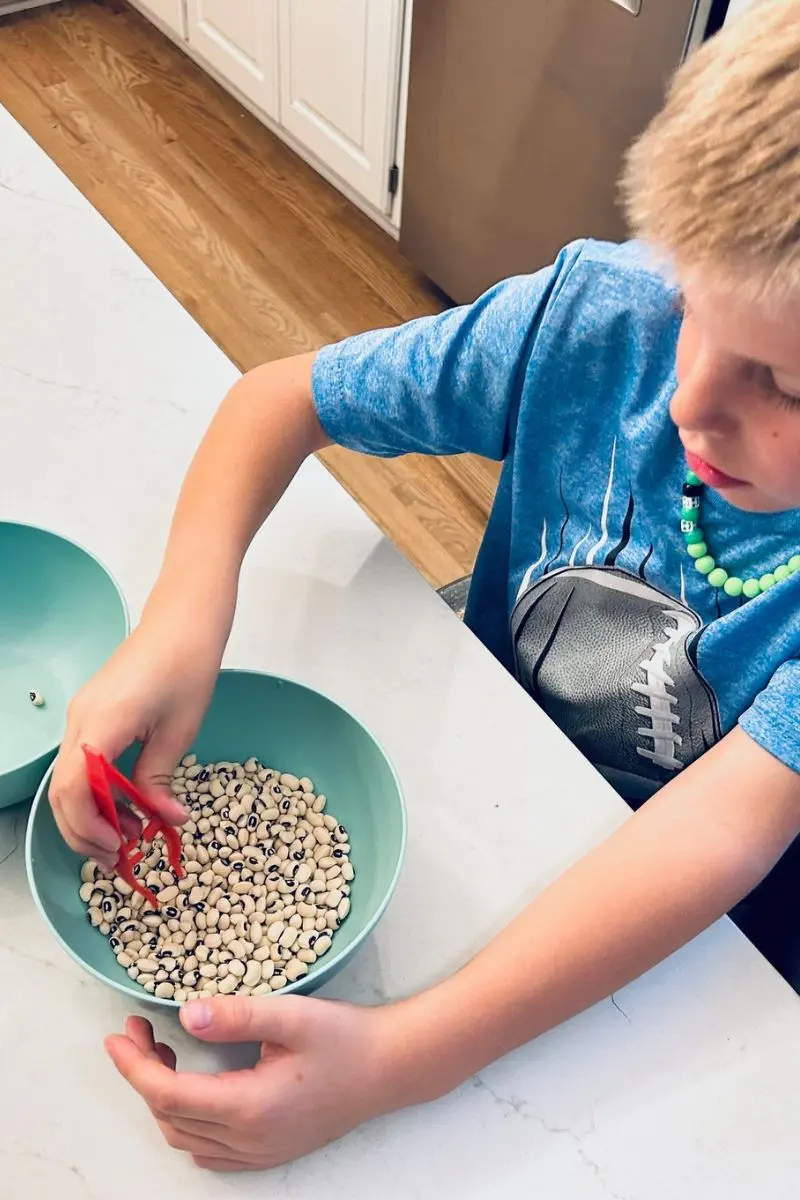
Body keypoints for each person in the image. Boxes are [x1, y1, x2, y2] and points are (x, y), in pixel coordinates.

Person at [50, 0, 799, 1173]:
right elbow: (275, 400)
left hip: (702, 943)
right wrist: (178, 625)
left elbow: (713, 842)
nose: (690, 404)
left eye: (785, 387)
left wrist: (396, 1062)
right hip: (483, 764)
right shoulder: (602, 312)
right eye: (694, 308)